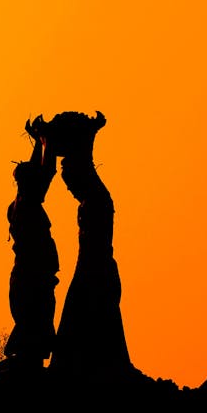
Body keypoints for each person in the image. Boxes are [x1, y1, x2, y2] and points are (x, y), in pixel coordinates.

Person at [44, 111, 135, 380]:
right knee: (94, 302)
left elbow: (81, 164)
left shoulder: (95, 197)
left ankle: (90, 362)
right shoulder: (93, 197)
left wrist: (85, 135)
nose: (70, 188)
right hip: (96, 262)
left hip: (95, 262)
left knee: (92, 301)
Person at [0, 116, 59, 377]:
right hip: (33, 274)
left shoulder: (20, 201)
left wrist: (39, 141)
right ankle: (27, 364)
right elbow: (46, 172)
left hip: (26, 274)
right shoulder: (28, 204)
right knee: (36, 318)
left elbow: (37, 172)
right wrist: (46, 142)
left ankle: (27, 360)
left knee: (33, 319)